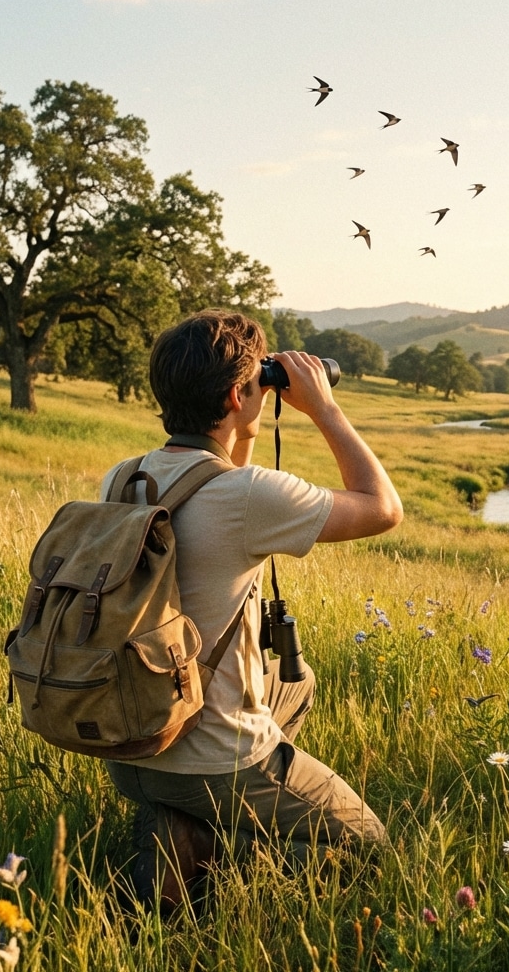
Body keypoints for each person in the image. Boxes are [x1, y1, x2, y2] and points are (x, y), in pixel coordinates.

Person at [101, 309, 403, 910]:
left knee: (295, 683)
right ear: (238, 395)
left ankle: (183, 821)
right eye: (254, 386)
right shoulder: (249, 496)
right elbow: (382, 508)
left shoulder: (125, 476)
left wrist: (243, 424)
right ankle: (213, 831)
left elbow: (211, 483)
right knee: (368, 843)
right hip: (214, 754)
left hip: (131, 744)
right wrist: (324, 408)